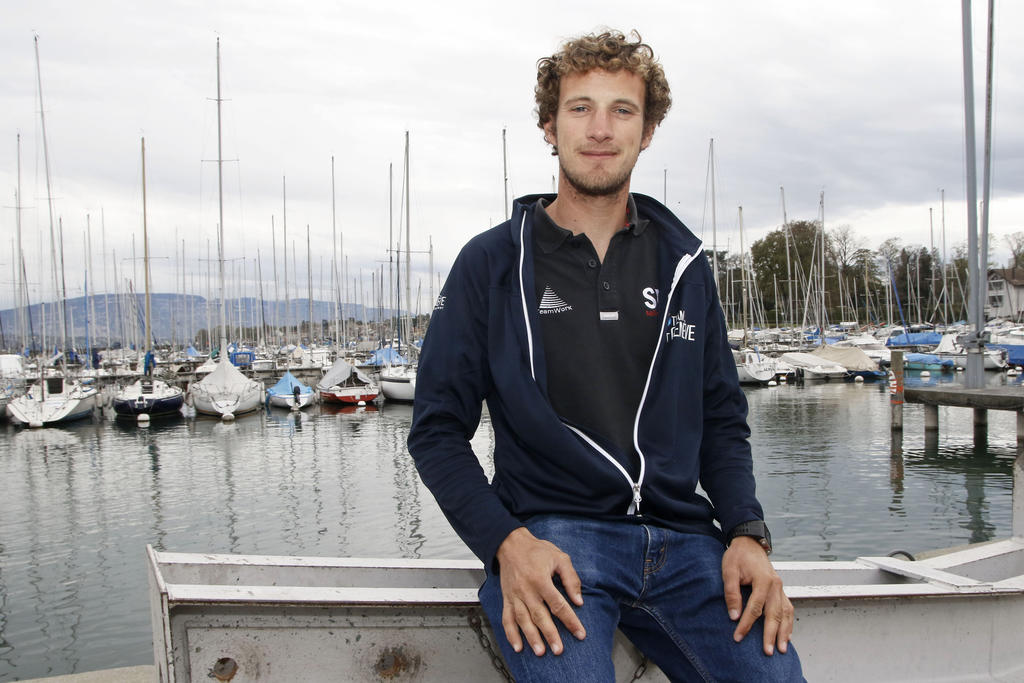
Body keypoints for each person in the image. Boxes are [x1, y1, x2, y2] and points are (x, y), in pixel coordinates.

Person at [408, 30, 803, 681]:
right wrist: (507, 544)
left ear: (647, 131)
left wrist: (746, 533)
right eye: (580, 107)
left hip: (688, 547)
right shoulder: (493, 263)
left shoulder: (685, 265)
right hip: (555, 544)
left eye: (622, 110)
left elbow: (722, 417)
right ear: (548, 125)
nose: (600, 128)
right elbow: (436, 430)